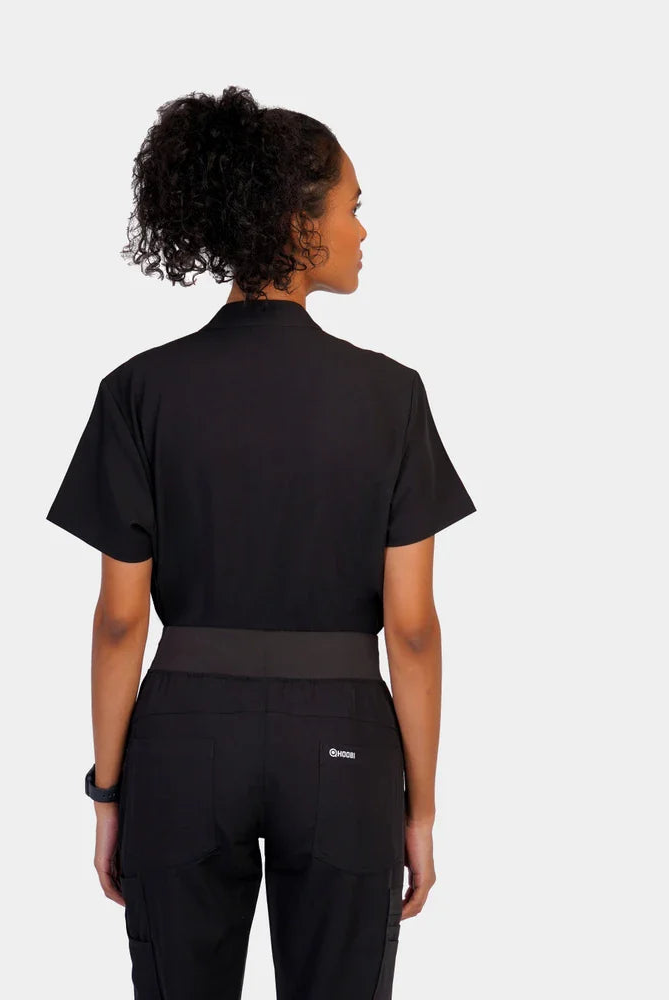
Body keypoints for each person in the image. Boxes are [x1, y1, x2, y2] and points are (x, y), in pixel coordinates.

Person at [46, 85, 477, 1000]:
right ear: (297, 223)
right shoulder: (391, 397)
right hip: (347, 740)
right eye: (352, 207)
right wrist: (420, 808)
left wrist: (109, 793)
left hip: (182, 739)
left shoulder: (139, 391)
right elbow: (411, 630)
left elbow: (121, 622)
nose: (363, 229)